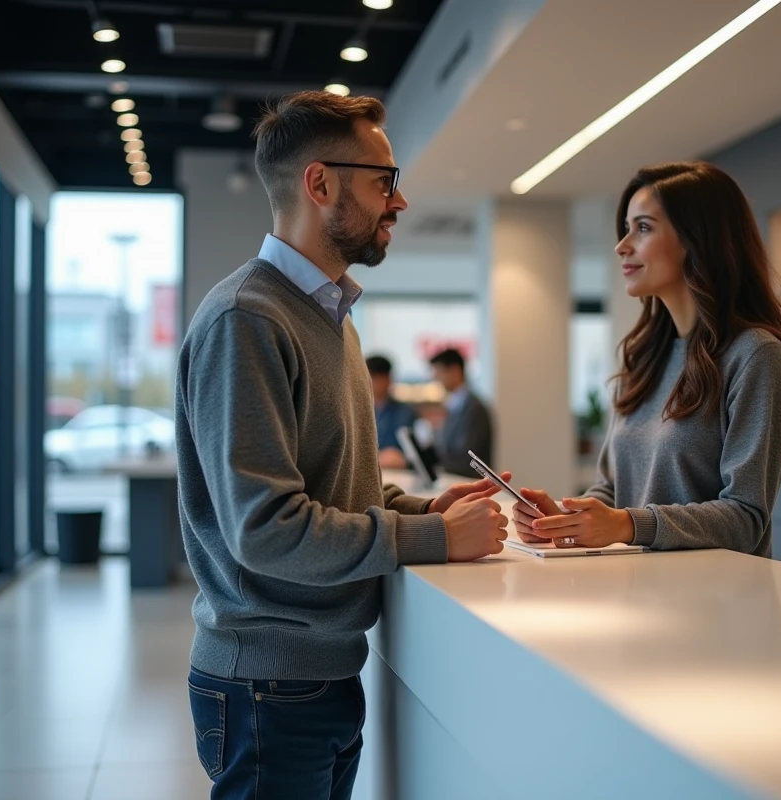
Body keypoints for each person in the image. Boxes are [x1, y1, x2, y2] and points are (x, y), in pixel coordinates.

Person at [176, 91, 511, 800]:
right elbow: (265, 530)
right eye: (383, 180)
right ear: (319, 183)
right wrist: (431, 541)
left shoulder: (331, 317)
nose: (401, 201)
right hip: (268, 685)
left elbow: (336, 488)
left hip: (313, 675)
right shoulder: (248, 319)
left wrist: (427, 512)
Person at [513, 161, 781, 555]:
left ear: (698, 238)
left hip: (719, 602)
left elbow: (746, 518)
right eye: (625, 229)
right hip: (637, 589)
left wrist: (626, 524)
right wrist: (568, 520)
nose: (622, 246)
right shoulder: (643, 359)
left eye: (643, 227)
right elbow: (613, 487)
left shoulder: (755, 356)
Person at [429, 347, 493, 478]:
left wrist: (435, 465)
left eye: (439, 372)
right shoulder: (455, 405)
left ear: (455, 370)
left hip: (470, 483)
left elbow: (466, 457)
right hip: (455, 480)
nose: (436, 378)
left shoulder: (474, 408)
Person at [365, 354, 417, 469]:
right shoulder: (363, 412)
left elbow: (400, 454)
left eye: (372, 377)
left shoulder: (405, 412)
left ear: (387, 378)